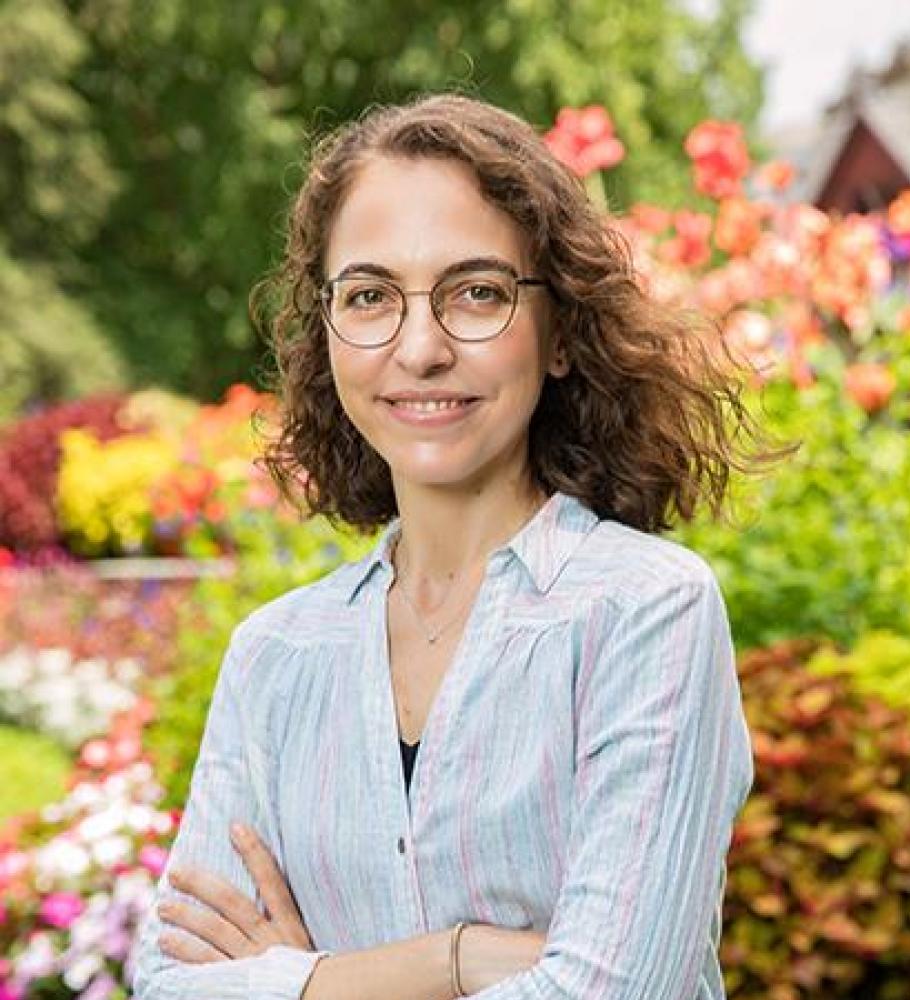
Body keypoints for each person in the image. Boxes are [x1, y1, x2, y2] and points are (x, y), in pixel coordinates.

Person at [132, 93, 779, 1000]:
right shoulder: (276, 657)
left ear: (558, 333)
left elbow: (605, 993)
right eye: (369, 296)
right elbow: (165, 983)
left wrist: (301, 980)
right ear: (328, 333)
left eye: (477, 291)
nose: (421, 347)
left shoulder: (646, 612)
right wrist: (461, 958)